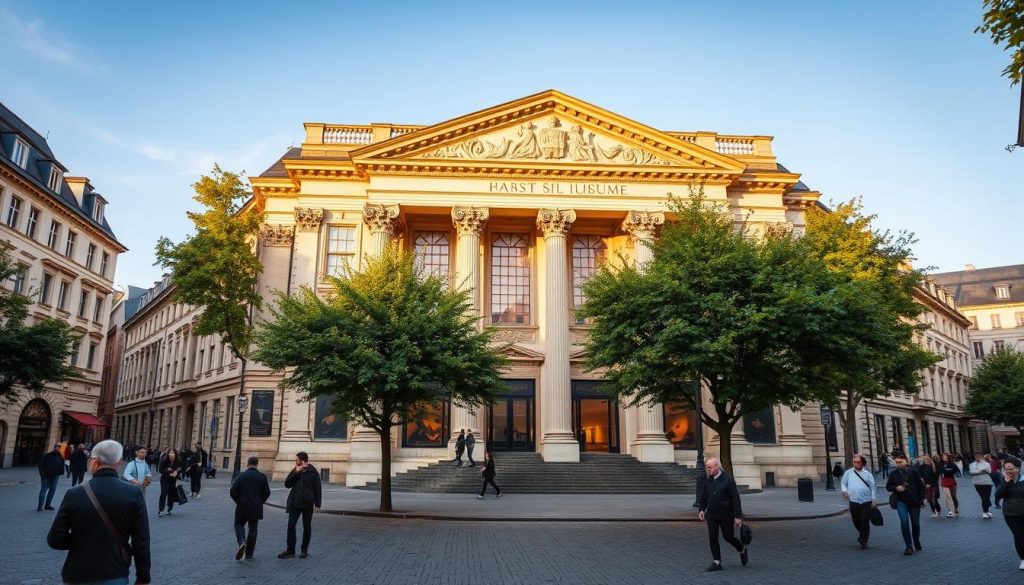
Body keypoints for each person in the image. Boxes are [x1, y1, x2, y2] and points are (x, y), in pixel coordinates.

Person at [46, 439, 151, 585]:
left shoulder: (74, 493)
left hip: (77, 573)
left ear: (93, 461)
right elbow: (141, 541)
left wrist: (81, 540)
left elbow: (55, 539)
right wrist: (143, 577)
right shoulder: (133, 494)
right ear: (120, 462)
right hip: (115, 573)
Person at [696, 457, 747, 571]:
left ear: (717, 467)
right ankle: (717, 562)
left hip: (726, 515)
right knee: (712, 537)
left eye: (710, 468)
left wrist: (738, 516)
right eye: (707, 468)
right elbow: (704, 496)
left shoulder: (728, 480)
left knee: (728, 537)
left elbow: (736, 498)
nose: (708, 470)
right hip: (712, 515)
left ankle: (741, 548)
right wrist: (701, 509)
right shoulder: (708, 480)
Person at [279, 452, 321, 559]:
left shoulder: (313, 472)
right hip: (295, 502)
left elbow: (317, 488)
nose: (295, 462)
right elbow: (287, 484)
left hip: (307, 503)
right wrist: (296, 473)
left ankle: (304, 550)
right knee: (291, 525)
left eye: (296, 460)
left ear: (302, 461)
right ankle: (290, 550)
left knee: (307, 526)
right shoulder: (295, 470)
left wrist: (318, 504)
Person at [231, 455, 271, 560]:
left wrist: (238, 501)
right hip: (256, 506)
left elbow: (232, 491)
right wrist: (260, 501)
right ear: (257, 464)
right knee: (253, 528)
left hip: (242, 505)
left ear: (248, 463)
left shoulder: (241, 476)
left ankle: (241, 541)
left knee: (238, 524)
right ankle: (249, 554)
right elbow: (267, 492)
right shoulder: (262, 476)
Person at [887, 453, 925, 555]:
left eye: (901, 462)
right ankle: (908, 546)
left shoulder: (913, 472)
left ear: (906, 462)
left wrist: (922, 500)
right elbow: (888, 487)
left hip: (914, 502)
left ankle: (916, 540)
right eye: (897, 462)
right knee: (904, 523)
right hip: (901, 502)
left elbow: (921, 486)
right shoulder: (893, 474)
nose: (898, 464)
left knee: (915, 524)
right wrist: (896, 488)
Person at [841, 454, 877, 549]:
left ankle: (864, 540)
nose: (856, 464)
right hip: (853, 500)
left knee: (864, 519)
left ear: (862, 463)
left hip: (866, 500)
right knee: (856, 520)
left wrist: (873, 499)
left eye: (858, 462)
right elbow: (843, 483)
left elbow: (873, 487)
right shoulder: (848, 473)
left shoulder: (867, 474)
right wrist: (844, 491)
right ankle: (862, 535)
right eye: (854, 462)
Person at [995, 458, 1024, 571]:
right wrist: (1006, 483)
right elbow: (998, 495)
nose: (1008, 471)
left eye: (1011, 469)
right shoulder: (1004, 480)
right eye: (1006, 469)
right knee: (1019, 536)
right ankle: (1023, 558)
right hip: (1011, 513)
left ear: (1018, 469)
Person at [38, 443, 65, 511]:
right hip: (46, 475)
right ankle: (40, 506)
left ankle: (47, 505)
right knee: (44, 490)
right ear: (54, 447)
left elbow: (62, 464)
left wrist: (60, 473)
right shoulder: (47, 455)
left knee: (52, 490)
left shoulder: (60, 456)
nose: (58, 448)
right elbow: (41, 465)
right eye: (57, 447)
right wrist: (42, 474)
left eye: (59, 447)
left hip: (55, 475)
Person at [970, 452, 995, 519]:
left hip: (987, 482)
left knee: (986, 497)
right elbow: (972, 472)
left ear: (981, 456)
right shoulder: (972, 464)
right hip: (977, 483)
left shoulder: (986, 464)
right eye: (976, 456)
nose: (977, 457)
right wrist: (982, 471)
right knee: (983, 497)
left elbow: (989, 471)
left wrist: (977, 472)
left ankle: (987, 510)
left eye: (979, 456)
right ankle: (986, 511)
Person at [157, 448, 182, 517]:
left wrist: (176, 472)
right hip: (165, 479)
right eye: (170, 453)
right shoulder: (165, 460)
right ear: (168, 454)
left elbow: (180, 468)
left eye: (173, 453)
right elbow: (160, 470)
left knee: (171, 494)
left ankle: (170, 507)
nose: (172, 454)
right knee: (164, 493)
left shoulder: (178, 460)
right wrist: (167, 470)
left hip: (174, 480)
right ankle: (161, 510)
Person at [937, 453, 960, 517]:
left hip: (952, 481)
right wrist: (949, 471)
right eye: (943, 456)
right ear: (941, 457)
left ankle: (955, 508)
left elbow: (957, 471)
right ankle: (950, 510)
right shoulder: (939, 464)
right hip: (944, 482)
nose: (944, 457)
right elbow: (940, 471)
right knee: (948, 496)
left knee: (953, 496)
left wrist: (948, 471)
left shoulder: (952, 464)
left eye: (945, 456)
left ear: (948, 457)